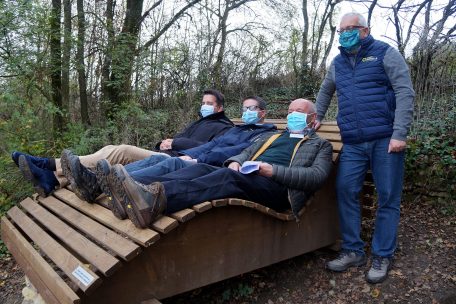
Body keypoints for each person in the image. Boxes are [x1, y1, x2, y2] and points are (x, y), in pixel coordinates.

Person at [102, 99, 333, 231]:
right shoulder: (272, 137)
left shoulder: (320, 145)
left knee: (226, 179)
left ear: (312, 118)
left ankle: (155, 202)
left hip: (280, 189)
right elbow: (245, 153)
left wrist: (273, 171)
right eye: (290, 111)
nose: (293, 114)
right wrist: (235, 162)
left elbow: (316, 176)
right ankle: (136, 193)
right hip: (252, 177)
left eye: (299, 112)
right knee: (203, 169)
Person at [315, 12, 415, 284]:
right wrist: (318, 116)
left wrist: (399, 133)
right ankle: (353, 251)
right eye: (342, 29)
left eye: (352, 28)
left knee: (387, 197)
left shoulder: (385, 53)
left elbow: (405, 91)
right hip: (354, 142)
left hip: (385, 139)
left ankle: (382, 254)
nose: (346, 32)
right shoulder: (337, 62)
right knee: (345, 190)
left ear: (365, 29)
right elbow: (326, 90)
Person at [13, 89, 234, 199]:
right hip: (166, 155)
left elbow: (210, 149)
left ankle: (48, 165)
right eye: (203, 102)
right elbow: (172, 141)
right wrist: (164, 142)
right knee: (111, 149)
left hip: (179, 163)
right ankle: (52, 178)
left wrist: (176, 141)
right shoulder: (198, 123)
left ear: (219, 108)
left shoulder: (225, 128)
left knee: (123, 150)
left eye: (209, 104)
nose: (204, 106)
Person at [93, 96, 277, 219]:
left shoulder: (263, 135)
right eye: (244, 108)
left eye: (251, 108)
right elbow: (209, 145)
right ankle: (98, 180)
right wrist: (189, 155)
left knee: (167, 161)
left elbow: (235, 151)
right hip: (191, 157)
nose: (246, 112)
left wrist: (195, 158)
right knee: (162, 159)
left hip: (215, 166)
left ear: (263, 112)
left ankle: (115, 183)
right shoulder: (236, 129)